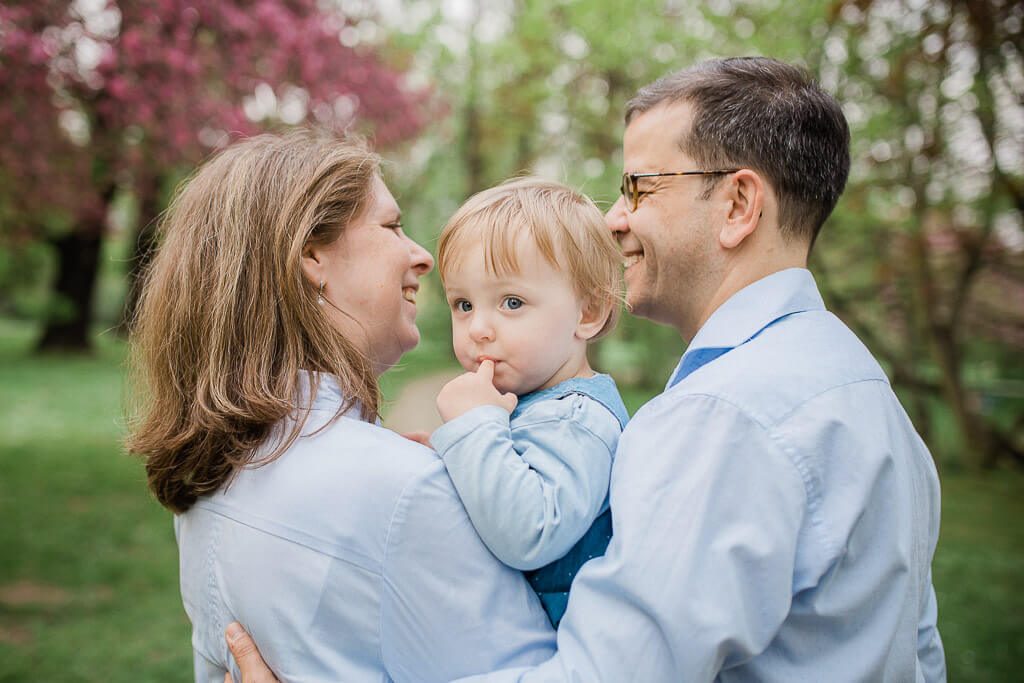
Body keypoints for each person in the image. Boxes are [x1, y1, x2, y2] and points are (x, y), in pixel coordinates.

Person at [224, 57, 947, 681]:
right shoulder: (859, 386)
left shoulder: (722, 419)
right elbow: (919, 652)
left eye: (640, 187)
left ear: (737, 204)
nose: (612, 218)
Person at [126, 131, 557, 683]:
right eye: (392, 226)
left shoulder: (207, 470)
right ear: (311, 254)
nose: (422, 256)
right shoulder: (405, 489)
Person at [430, 178, 629, 626]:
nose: (479, 327)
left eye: (512, 302)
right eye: (463, 304)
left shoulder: (578, 418)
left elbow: (530, 530)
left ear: (587, 313)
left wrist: (475, 427)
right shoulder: (535, 406)